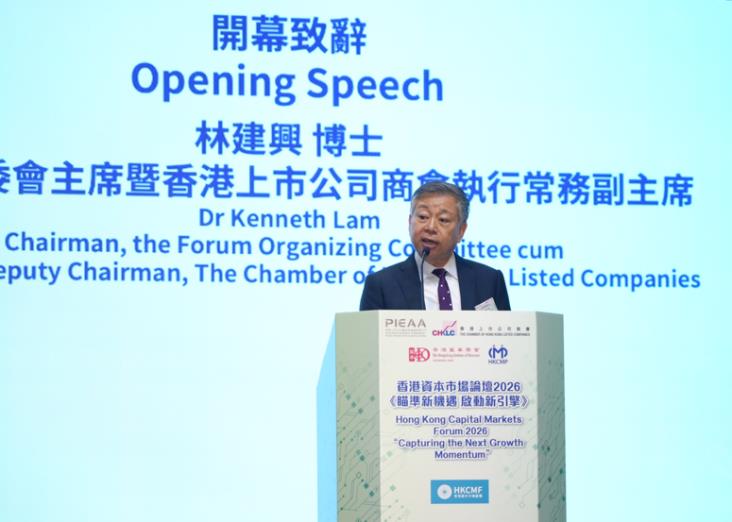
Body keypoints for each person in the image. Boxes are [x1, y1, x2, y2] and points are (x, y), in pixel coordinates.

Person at [359, 181, 510, 311]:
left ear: (461, 231)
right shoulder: (381, 285)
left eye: (443, 220)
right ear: (409, 222)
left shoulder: (489, 281)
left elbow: (506, 334)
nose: (430, 227)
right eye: (423, 217)